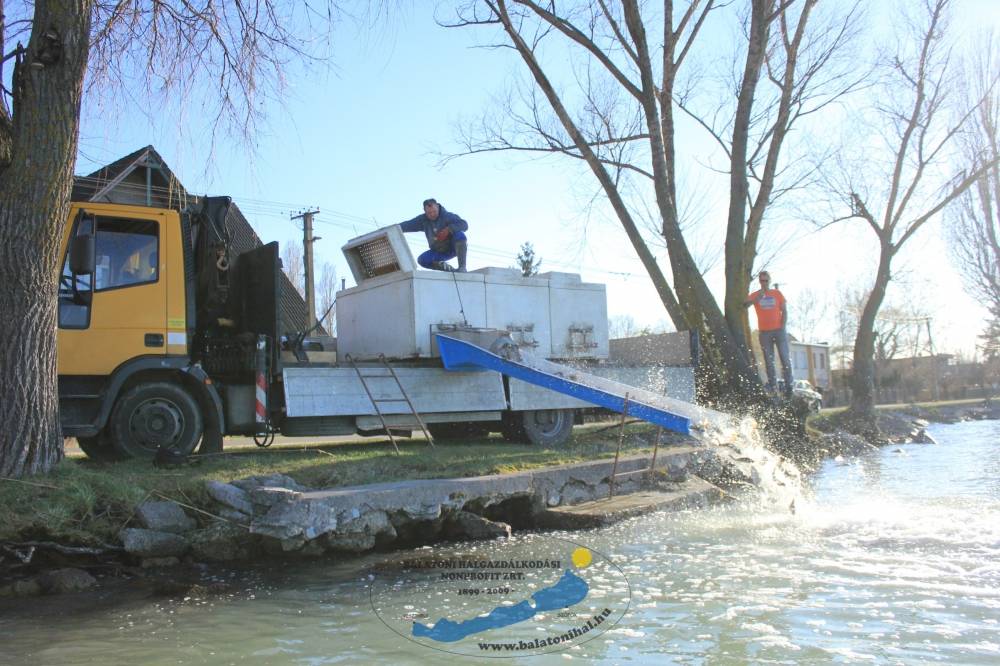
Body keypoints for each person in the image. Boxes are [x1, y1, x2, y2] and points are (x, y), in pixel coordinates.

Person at [745, 270, 793, 397]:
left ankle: (789, 387)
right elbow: (745, 305)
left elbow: (784, 311)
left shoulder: (776, 293)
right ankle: (773, 387)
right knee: (769, 361)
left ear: (769, 281)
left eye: (766, 281)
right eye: (762, 281)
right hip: (764, 332)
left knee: (785, 359)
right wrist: (756, 299)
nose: (764, 283)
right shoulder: (756, 295)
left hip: (779, 331)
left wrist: (782, 327)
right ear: (759, 281)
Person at [399, 198, 468, 272]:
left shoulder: (448, 216)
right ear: (424, 211)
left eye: (434, 211)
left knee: (459, 235)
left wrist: (449, 229)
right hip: (438, 251)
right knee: (422, 260)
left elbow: (464, 225)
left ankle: (462, 267)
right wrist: (391, 228)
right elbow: (407, 225)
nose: (432, 214)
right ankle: (450, 270)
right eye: (429, 213)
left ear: (438, 207)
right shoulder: (423, 220)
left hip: (453, 248)